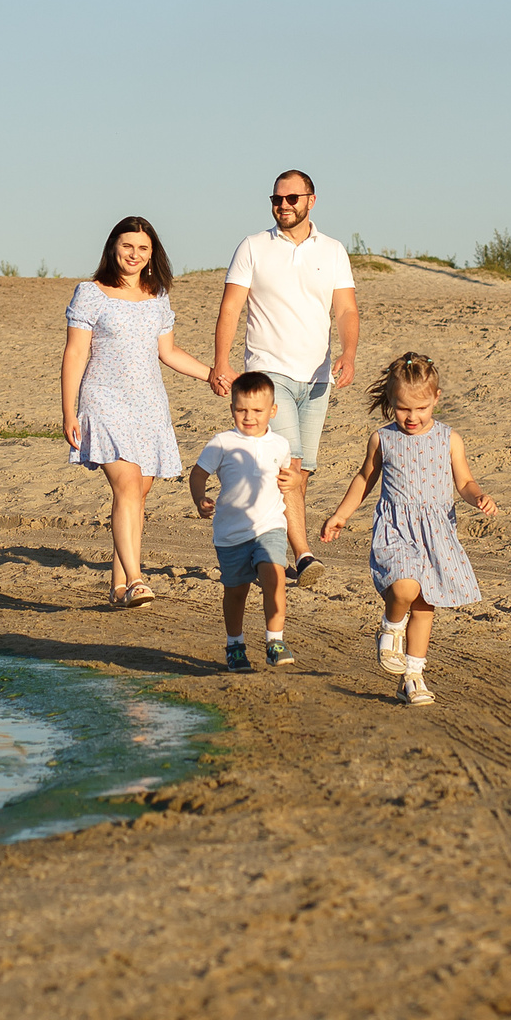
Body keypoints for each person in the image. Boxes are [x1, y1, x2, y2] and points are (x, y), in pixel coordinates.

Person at [319, 351, 499, 707]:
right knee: (404, 587)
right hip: (396, 527)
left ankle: (412, 677)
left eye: (420, 408)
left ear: (436, 398)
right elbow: (364, 479)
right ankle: (389, 626)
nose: (412, 417)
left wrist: (478, 497)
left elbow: (464, 481)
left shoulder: (450, 439)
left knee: (425, 604)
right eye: (403, 409)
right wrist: (341, 514)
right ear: (390, 402)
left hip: (436, 531)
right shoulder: (382, 439)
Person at [209, 169, 358, 589]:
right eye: (276, 199)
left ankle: (269, 547)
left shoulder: (332, 251)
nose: (283, 206)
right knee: (290, 465)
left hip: (317, 378)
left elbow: (345, 310)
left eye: (292, 198)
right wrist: (222, 361)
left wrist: (348, 353)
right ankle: (305, 556)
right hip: (268, 371)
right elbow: (231, 308)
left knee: (300, 471)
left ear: (311, 200)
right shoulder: (253, 247)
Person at [63, 215, 217, 607]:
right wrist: (68, 411)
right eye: (127, 246)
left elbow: (168, 352)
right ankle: (136, 578)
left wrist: (212, 376)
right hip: (104, 400)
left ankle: (117, 588)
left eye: (143, 248)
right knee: (128, 487)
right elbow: (76, 353)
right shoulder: (91, 293)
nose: (134, 254)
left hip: (149, 404)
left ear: (152, 255)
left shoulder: (157, 295)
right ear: (113, 247)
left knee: (138, 494)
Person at [187, 370, 298, 673]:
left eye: (257, 411)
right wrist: (200, 499)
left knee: (274, 574)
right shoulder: (222, 442)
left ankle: (275, 641)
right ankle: (235, 645)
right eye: (241, 410)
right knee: (236, 592)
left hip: (269, 526)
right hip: (231, 533)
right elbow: (197, 474)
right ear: (232, 408)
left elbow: (288, 476)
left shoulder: (280, 444)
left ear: (272, 411)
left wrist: (292, 480)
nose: (249, 417)